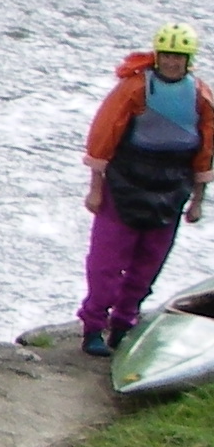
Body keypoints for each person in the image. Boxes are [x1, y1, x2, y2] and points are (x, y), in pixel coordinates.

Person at [78, 23, 211, 357]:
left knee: (148, 263)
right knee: (106, 263)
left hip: (170, 189)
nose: (171, 62)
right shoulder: (134, 88)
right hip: (126, 185)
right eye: (166, 55)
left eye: (178, 57)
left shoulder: (200, 96)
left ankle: (124, 323)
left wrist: (198, 200)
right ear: (157, 55)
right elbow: (104, 136)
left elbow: (206, 149)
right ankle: (93, 325)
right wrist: (96, 189)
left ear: (188, 60)